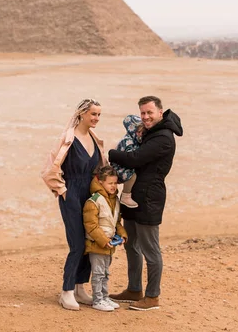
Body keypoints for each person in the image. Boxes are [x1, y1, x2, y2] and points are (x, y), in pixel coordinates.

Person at [108, 96, 183, 311]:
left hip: (150, 198)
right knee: (131, 244)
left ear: (160, 112)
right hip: (134, 197)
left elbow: (135, 159)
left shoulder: (163, 138)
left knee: (151, 249)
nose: (146, 117)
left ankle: (152, 297)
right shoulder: (149, 132)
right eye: (142, 113)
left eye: (150, 112)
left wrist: (111, 154)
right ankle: (134, 289)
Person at [41, 98, 107, 311]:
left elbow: (100, 168)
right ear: (81, 114)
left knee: (89, 241)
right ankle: (66, 291)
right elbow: (50, 169)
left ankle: (80, 288)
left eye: (98, 114)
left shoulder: (96, 139)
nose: (96, 118)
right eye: (93, 114)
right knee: (77, 243)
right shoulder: (67, 139)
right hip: (71, 194)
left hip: (91, 195)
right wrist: (63, 191)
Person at [82, 165, 128, 312]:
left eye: (115, 183)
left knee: (106, 273)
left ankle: (104, 296)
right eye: (110, 183)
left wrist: (122, 234)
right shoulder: (94, 201)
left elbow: (116, 222)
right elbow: (91, 225)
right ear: (101, 182)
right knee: (98, 273)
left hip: (109, 244)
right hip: (98, 244)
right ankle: (97, 300)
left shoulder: (114, 200)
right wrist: (103, 240)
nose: (113, 186)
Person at [111, 114, 144, 208]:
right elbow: (130, 157)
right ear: (131, 130)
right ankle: (125, 196)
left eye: (142, 132)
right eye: (138, 131)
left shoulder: (135, 140)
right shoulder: (128, 141)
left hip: (123, 165)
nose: (140, 134)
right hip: (119, 167)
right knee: (133, 176)